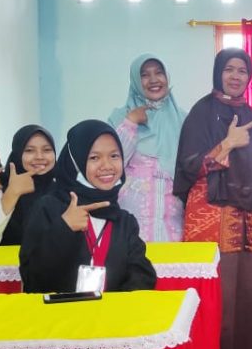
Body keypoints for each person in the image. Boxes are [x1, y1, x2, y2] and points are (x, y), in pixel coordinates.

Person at [173, 48, 252, 349]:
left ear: (250, 77)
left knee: (247, 299)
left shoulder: (251, 117)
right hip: (211, 218)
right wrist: (227, 145)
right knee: (217, 303)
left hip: (250, 220)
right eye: (229, 69)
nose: (236, 76)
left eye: (242, 70)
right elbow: (189, 166)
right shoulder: (201, 113)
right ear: (218, 72)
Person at [19, 120, 156, 293]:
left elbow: (141, 275)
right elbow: (32, 278)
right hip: (59, 310)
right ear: (76, 162)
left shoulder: (125, 221)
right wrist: (64, 228)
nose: (107, 166)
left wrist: (114, 306)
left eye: (114, 156)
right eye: (94, 158)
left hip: (110, 310)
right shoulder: (48, 208)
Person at [109, 54, 187, 241]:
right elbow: (113, 164)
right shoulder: (120, 118)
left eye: (159, 73)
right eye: (144, 75)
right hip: (133, 223)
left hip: (172, 224)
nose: (153, 80)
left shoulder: (184, 120)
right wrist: (131, 123)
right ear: (136, 80)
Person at [0, 125, 58, 246]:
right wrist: (12, 193)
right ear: (18, 154)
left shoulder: (65, 192)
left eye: (47, 150)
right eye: (29, 150)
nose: (39, 156)